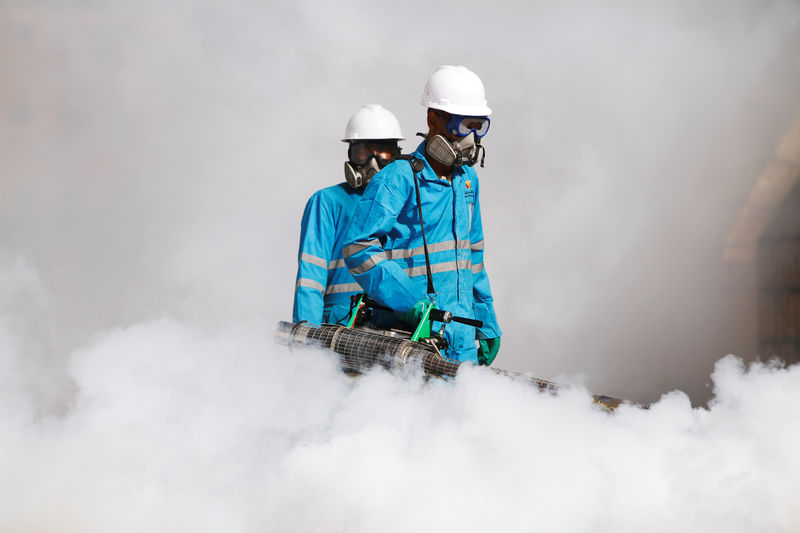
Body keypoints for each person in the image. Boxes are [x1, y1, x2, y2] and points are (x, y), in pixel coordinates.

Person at [342, 65, 501, 365]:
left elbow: (473, 255)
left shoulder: (467, 180)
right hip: (411, 339)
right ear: (432, 120)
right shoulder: (398, 178)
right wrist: (410, 302)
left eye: (479, 126)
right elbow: (358, 247)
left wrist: (487, 319)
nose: (472, 138)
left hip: (461, 336)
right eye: (463, 126)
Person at [292, 104, 403, 326]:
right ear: (350, 153)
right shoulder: (328, 202)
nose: (373, 163)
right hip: (339, 328)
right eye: (364, 152)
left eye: (383, 152)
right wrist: (307, 338)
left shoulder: (407, 202)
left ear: (396, 156)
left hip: (395, 328)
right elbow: (310, 279)